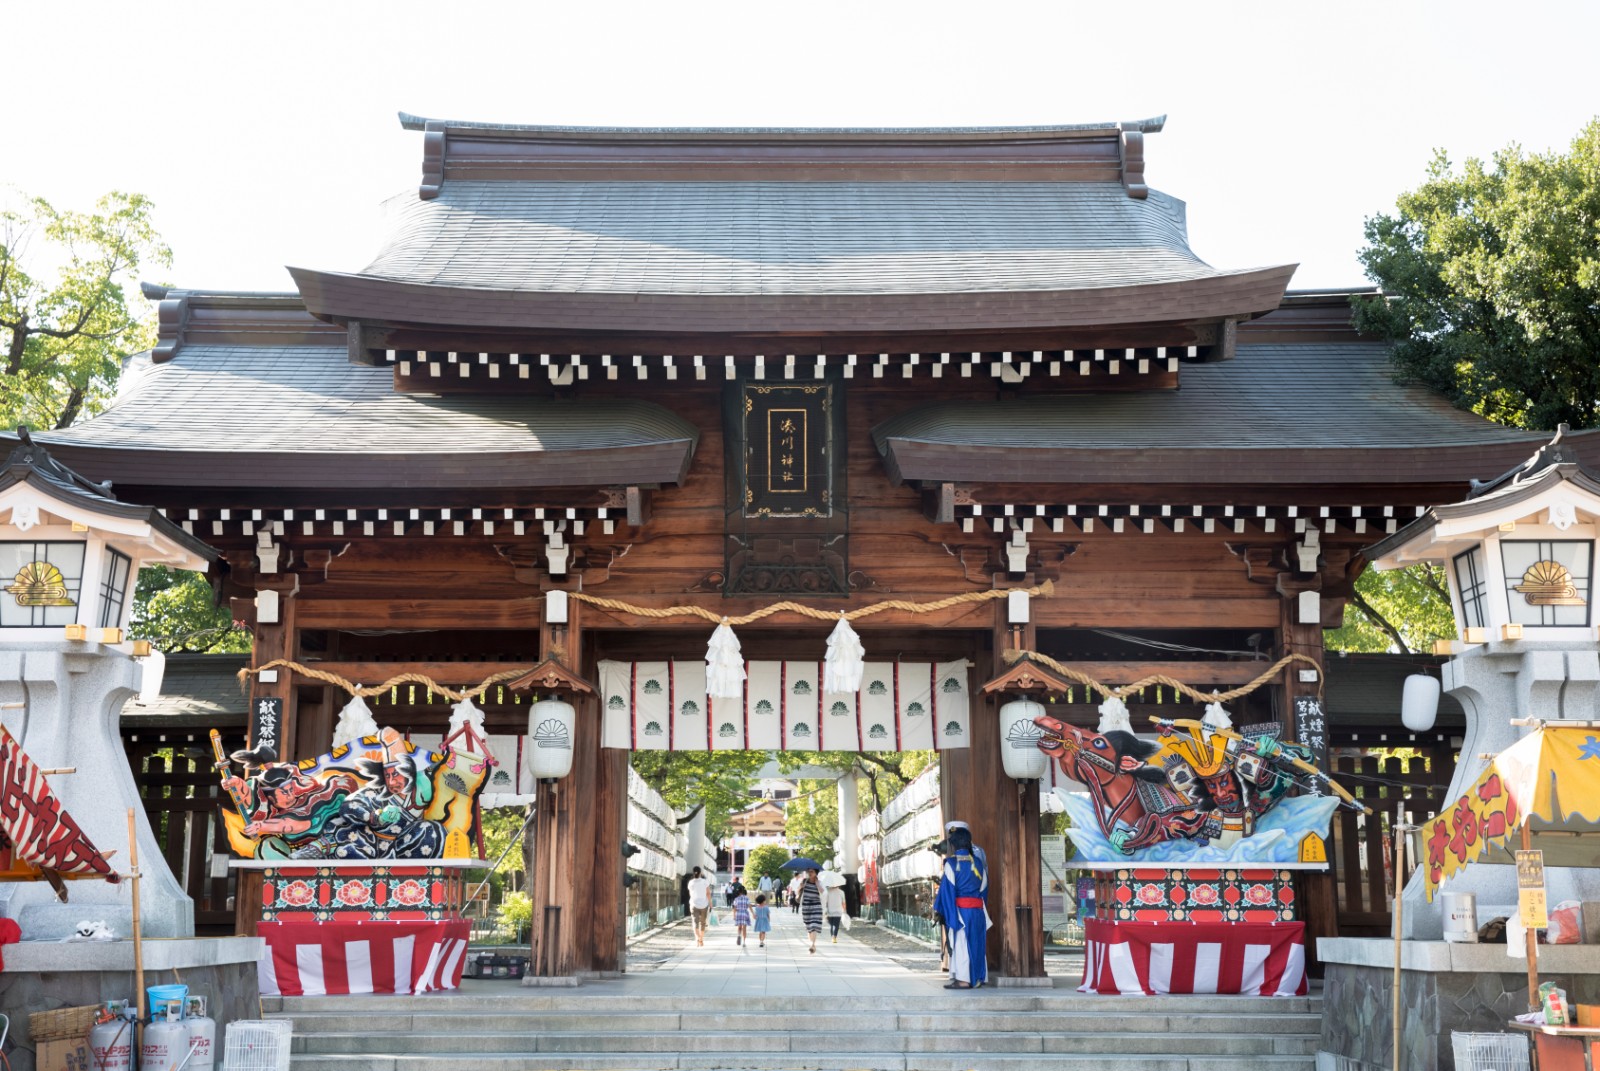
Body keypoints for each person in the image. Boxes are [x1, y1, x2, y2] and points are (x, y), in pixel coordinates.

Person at [934, 820, 988, 988]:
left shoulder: (951, 864)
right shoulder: (978, 863)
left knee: (962, 945)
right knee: (977, 943)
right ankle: (979, 977)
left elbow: (947, 892)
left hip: (960, 911)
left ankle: (964, 980)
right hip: (977, 910)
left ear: (953, 843)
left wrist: (946, 913)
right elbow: (984, 888)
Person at [799, 868, 824, 953]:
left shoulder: (819, 882)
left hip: (816, 906)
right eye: (809, 871)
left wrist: (817, 884)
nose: (810, 873)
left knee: (814, 925)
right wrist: (801, 887)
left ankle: (813, 945)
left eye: (812, 872)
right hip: (806, 907)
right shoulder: (804, 881)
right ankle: (812, 942)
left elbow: (822, 892)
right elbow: (798, 891)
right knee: (809, 927)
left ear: (816, 873)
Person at [686, 866, 712, 947]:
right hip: (704, 905)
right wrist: (710, 903)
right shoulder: (705, 882)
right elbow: (708, 893)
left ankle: (697, 938)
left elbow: (690, 893)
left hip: (694, 904)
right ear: (700, 873)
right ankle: (701, 939)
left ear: (693, 873)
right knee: (703, 923)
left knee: (695, 922)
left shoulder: (691, 883)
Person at [823, 880, 847, 944]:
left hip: (830, 911)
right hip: (838, 911)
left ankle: (832, 937)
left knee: (831, 925)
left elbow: (826, 902)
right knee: (836, 925)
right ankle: (834, 937)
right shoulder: (841, 892)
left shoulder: (828, 892)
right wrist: (844, 911)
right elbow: (843, 903)